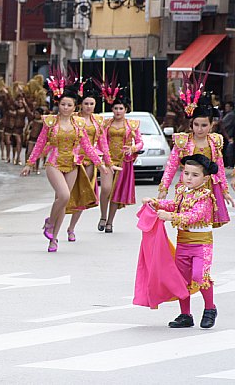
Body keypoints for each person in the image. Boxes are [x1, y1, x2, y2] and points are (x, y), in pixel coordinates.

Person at [21, 81, 107, 252]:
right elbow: (40, 143)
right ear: (58, 105)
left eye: (69, 105)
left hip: (73, 164)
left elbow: (87, 146)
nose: (65, 108)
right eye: (63, 104)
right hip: (54, 162)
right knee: (64, 195)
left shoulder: (78, 124)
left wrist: (100, 164)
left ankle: (53, 239)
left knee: (63, 201)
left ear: (75, 107)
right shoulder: (51, 122)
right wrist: (30, 163)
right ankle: (50, 223)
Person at [142, 154, 219, 329]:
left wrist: (171, 216)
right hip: (183, 243)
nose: (189, 178)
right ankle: (185, 315)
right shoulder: (181, 191)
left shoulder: (205, 196)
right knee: (181, 280)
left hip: (201, 245)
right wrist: (156, 203)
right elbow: (173, 204)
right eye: (186, 173)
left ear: (205, 178)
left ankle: (210, 308)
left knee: (200, 276)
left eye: (195, 175)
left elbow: (195, 216)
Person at [159, 87, 234, 227]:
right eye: (196, 125)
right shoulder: (183, 141)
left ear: (212, 125)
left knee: (204, 223)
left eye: (204, 125)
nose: (199, 129)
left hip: (209, 187)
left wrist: (225, 191)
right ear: (191, 124)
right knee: (187, 221)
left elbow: (220, 167)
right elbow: (171, 166)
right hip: (188, 185)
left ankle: (204, 247)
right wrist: (164, 188)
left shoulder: (215, 141)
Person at [66, 80, 113, 241]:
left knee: (83, 194)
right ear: (80, 104)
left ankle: (71, 228)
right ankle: (55, 220)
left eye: (91, 103)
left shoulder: (98, 121)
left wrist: (108, 162)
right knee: (66, 193)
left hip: (91, 160)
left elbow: (103, 142)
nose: (88, 106)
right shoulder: (72, 118)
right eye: (86, 103)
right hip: (73, 160)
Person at [98, 81, 143, 233]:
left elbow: (140, 142)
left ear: (126, 110)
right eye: (115, 108)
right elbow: (100, 140)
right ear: (112, 109)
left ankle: (110, 222)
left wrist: (133, 148)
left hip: (124, 161)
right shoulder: (105, 124)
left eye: (121, 108)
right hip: (107, 160)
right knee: (106, 188)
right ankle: (103, 216)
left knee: (116, 192)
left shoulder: (132, 125)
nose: (118, 111)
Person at [25, 108, 44, 173]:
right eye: (35, 113)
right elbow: (28, 128)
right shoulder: (33, 121)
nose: (35, 115)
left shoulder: (42, 122)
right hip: (31, 138)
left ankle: (36, 167)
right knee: (29, 152)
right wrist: (28, 132)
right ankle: (28, 166)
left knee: (37, 154)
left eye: (37, 114)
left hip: (38, 140)